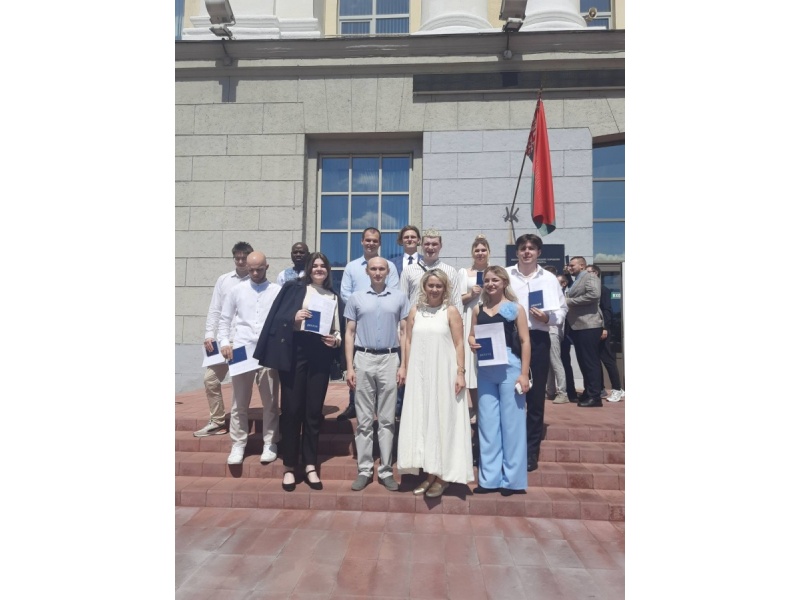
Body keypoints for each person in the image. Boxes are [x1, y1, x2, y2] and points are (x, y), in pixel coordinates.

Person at [254, 252, 343, 491]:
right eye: (315, 265)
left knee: (313, 412)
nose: (319, 269)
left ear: (328, 270)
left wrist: (335, 340)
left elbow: (338, 330)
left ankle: (310, 464)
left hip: (320, 354)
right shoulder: (294, 289)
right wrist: (293, 318)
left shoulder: (333, 296)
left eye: (323, 266)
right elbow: (276, 318)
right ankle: (289, 467)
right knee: (292, 410)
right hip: (296, 352)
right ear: (309, 268)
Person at [397, 269, 473, 497]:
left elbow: (459, 344)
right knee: (425, 421)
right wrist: (405, 367)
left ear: (445, 288)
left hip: (444, 375)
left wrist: (461, 373)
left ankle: (442, 477)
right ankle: (430, 473)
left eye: (439, 286)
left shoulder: (451, 311)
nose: (434, 289)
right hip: (420, 375)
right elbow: (408, 341)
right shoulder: (415, 310)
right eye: (430, 285)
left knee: (443, 421)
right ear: (424, 287)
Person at [344, 257, 410, 492]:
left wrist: (404, 365)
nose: (378, 272)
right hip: (363, 358)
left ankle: (386, 470)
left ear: (388, 271)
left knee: (387, 419)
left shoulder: (400, 297)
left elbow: (405, 332)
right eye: (374, 269)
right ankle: (364, 469)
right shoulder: (356, 298)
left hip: (390, 359)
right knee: (363, 419)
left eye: (382, 268)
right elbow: (349, 333)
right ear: (367, 271)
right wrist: (350, 367)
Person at [468, 266, 531, 496]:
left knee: (512, 425)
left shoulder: (515, 308)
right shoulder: (478, 309)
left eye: (495, 280)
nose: (490, 284)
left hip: (510, 367)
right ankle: (489, 480)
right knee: (487, 425)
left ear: (504, 282)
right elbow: (472, 334)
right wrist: (472, 342)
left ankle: (512, 481)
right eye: (487, 280)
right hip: (486, 369)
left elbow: (525, 341)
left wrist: (524, 373)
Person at [507, 234, 567, 472]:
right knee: (509, 393)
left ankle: (531, 451)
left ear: (539, 252)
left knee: (535, 396)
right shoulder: (507, 275)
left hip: (538, 338)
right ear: (517, 252)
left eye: (531, 248)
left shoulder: (549, 279)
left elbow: (562, 310)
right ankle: (510, 447)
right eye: (523, 248)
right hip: (511, 338)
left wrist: (548, 318)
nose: (527, 252)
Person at [217, 251, 282, 465]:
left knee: (270, 401)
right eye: (251, 269)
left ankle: (270, 442)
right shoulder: (237, 290)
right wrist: (224, 342)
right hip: (241, 348)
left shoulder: (276, 291)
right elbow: (225, 318)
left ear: (267, 267)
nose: (255, 273)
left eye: (259, 269)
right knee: (239, 401)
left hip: (267, 350)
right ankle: (238, 443)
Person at [337, 227, 400, 421]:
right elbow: (345, 293)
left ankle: (386, 408)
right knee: (358, 366)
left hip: (384, 318)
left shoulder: (389, 266)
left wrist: (377, 304)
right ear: (362, 242)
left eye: (375, 240)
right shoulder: (352, 267)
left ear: (379, 243)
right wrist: (362, 306)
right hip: (359, 318)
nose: (371, 243)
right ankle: (353, 404)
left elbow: (394, 291)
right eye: (368, 240)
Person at [194, 241, 252, 438]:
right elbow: (215, 309)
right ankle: (217, 421)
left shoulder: (255, 281)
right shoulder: (224, 280)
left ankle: (239, 425)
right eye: (237, 258)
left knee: (240, 386)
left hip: (242, 342)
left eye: (244, 258)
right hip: (223, 340)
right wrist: (209, 335)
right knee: (210, 379)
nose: (241, 261)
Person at [389, 224, 421, 419]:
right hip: (398, 320)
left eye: (413, 237)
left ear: (418, 240)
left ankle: (415, 403)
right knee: (400, 361)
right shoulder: (392, 264)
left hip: (419, 319)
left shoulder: (426, 263)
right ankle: (399, 406)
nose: (409, 239)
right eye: (406, 237)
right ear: (401, 241)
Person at [565, 256, 604, 408]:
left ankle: (595, 396)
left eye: (572, 265)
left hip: (589, 325)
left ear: (582, 265)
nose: (569, 267)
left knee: (590, 361)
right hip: (578, 326)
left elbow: (594, 295)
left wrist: (569, 301)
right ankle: (588, 392)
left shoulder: (590, 277)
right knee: (583, 361)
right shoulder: (576, 280)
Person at [586, 264, 625, 402]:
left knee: (608, 360)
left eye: (589, 272)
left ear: (595, 273)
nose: (586, 275)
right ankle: (600, 388)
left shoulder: (603, 290)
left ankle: (617, 389)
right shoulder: (590, 290)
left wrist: (605, 328)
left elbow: (607, 310)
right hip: (592, 330)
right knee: (595, 361)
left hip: (601, 330)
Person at [399, 228, 462, 311]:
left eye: (434, 244)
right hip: (416, 317)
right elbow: (402, 302)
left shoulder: (450, 271)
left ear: (441, 246)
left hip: (442, 318)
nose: (430, 247)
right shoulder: (408, 271)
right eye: (427, 244)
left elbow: (457, 302)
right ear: (421, 245)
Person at [543, 266, 570, 405]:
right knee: (549, 363)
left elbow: (560, 313)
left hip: (554, 330)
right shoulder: (545, 290)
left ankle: (562, 393)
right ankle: (551, 391)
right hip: (545, 330)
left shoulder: (556, 292)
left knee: (555, 362)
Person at [557, 274, 579, 402]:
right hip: (553, 333)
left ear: (564, 284)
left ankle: (571, 393)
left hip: (567, 335)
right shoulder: (552, 295)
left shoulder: (568, 295)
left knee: (565, 363)